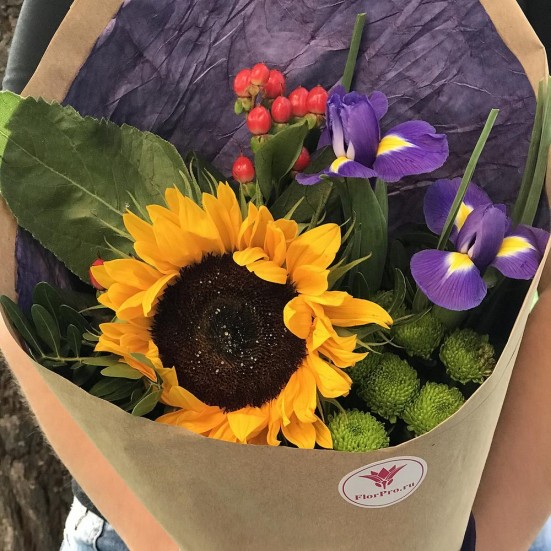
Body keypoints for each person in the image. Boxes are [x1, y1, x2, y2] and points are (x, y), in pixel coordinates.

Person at [2, 1, 551, 550]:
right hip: (138, 520)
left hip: (464, 509)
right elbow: (15, 208)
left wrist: (486, 536)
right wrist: (160, 536)